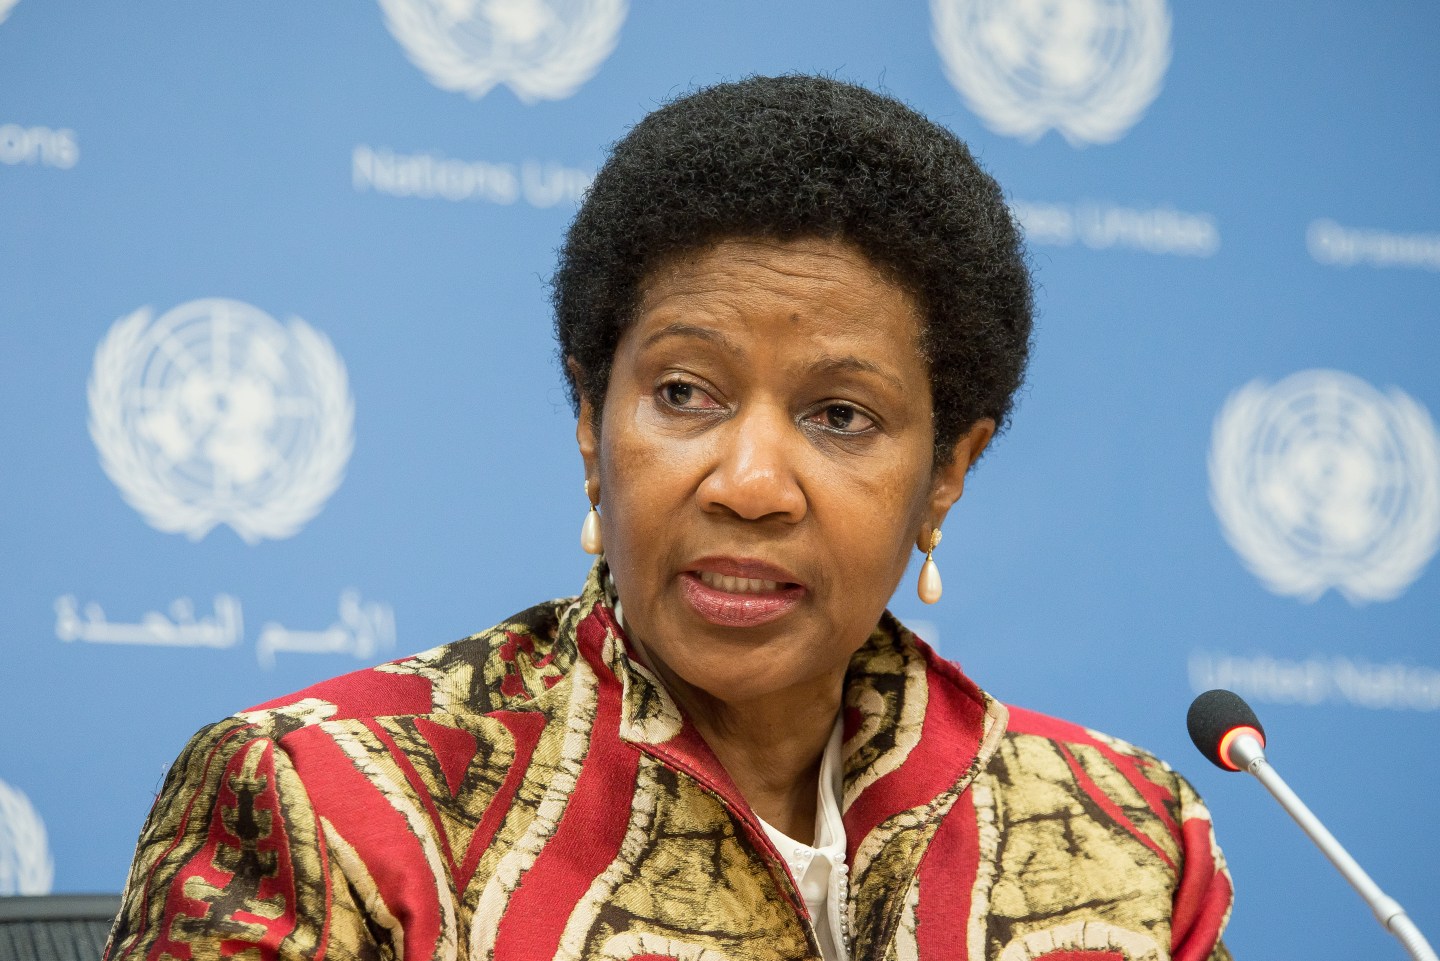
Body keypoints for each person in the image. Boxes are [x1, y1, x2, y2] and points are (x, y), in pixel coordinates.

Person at [105, 75, 1233, 961]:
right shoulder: (332, 801)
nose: (748, 481)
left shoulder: (1124, 836)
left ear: (948, 473)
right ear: (592, 424)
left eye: (839, 415)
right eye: (685, 394)